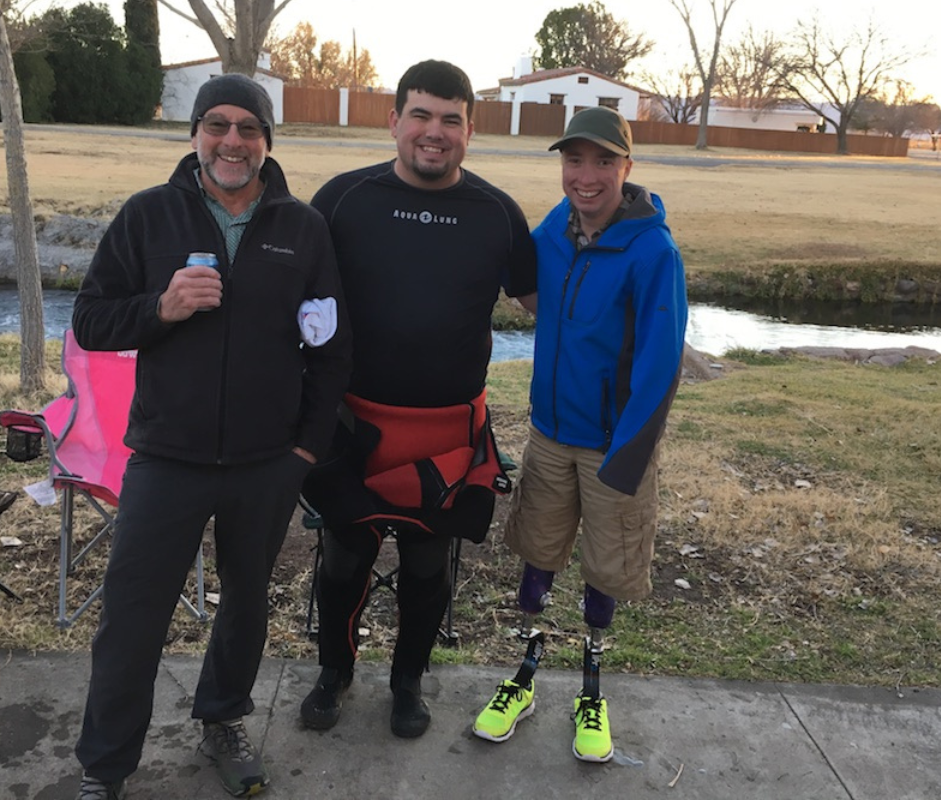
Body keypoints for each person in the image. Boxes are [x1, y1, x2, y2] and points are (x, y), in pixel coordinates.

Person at [70, 74, 351, 800]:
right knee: (133, 617)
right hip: (167, 456)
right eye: (218, 125)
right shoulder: (149, 216)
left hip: (266, 462)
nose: (234, 141)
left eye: (249, 128)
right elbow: (93, 321)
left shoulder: (301, 228)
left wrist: (306, 451)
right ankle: (105, 768)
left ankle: (222, 719)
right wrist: (160, 307)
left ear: (267, 140)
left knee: (246, 607)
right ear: (195, 133)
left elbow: (330, 347)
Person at [298, 60, 537, 740]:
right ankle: (334, 673)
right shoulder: (343, 199)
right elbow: (290, 294)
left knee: (429, 569)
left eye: (451, 119)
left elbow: (553, 303)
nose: (435, 132)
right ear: (394, 120)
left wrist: (625, 235)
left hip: (449, 435)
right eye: (422, 115)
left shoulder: (497, 213)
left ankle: (407, 684)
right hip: (355, 429)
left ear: (471, 128)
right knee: (345, 562)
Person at [471, 106, 688, 763]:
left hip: (612, 445)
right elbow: (522, 279)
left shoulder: (653, 250)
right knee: (537, 557)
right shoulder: (555, 229)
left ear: (627, 166)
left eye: (602, 161)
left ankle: (591, 686)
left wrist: (629, 455)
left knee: (606, 570)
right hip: (549, 433)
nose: (585, 175)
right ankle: (526, 672)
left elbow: (660, 363)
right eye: (574, 160)